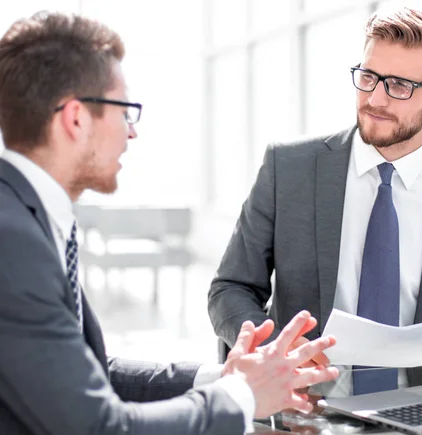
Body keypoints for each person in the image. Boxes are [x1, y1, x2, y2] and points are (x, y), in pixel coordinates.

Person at [0, 11, 339, 435]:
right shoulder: (12, 239)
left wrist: (224, 380)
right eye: (125, 111)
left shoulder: (24, 217)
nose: (132, 132)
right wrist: (242, 396)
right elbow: (97, 427)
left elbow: (79, 372)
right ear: (75, 119)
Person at [208, 5, 422, 393]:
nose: (376, 98)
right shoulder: (288, 169)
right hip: (307, 412)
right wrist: (277, 354)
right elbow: (231, 288)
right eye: (369, 76)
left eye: (400, 86)